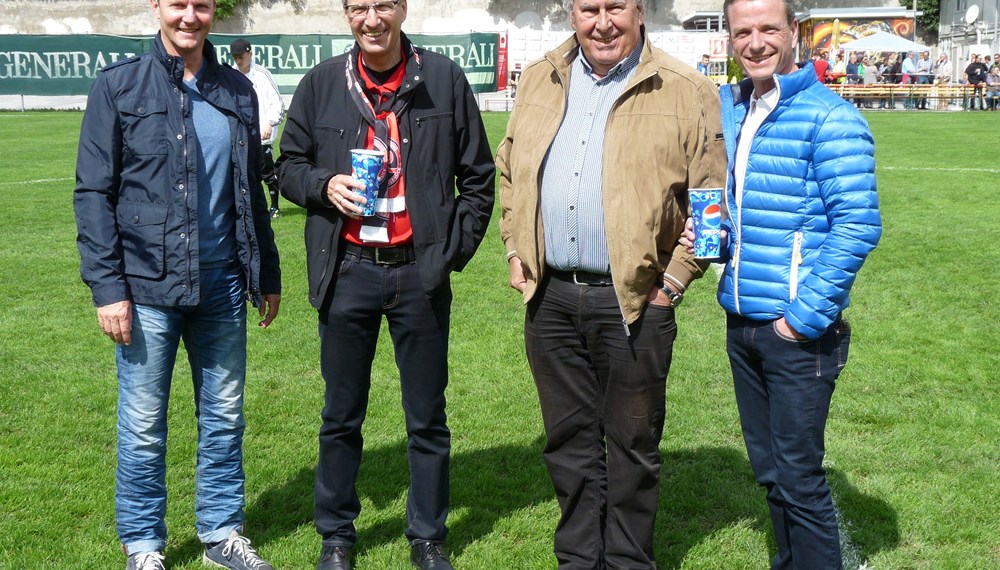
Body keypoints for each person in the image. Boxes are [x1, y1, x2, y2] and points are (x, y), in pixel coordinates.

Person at [495, 0, 725, 567]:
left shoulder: (684, 88)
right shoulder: (541, 77)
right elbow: (509, 167)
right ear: (572, 13)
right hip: (549, 300)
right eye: (588, 8)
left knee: (632, 448)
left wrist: (672, 283)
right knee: (568, 446)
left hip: (636, 301)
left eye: (615, 7)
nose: (602, 22)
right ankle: (578, 559)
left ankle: (626, 561)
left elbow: (713, 203)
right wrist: (515, 244)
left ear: (639, 11)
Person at [274, 0, 495, 568]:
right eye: (359, 8)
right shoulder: (322, 82)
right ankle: (337, 535)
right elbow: (288, 165)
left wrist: (449, 255)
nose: (372, 19)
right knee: (340, 415)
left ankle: (427, 535)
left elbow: (478, 178)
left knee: (427, 416)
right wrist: (325, 186)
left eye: (383, 6)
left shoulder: (441, 78)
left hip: (417, 274)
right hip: (347, 270)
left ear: (401, 10)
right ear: (347, 15)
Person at [73, 1, 282, 569]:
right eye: (178, 4)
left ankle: (221, 534)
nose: (190, 16)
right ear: (157, 9)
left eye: (201, 5)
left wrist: (266, 270)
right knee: (143, 425)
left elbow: (251, 190)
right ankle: (143, 546)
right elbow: (93, 194)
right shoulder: (118, 86)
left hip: (223, 285)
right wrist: (107, 286)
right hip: (145, 288)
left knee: (224, 416)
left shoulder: (237, 90)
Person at [682, 0, 881, 567]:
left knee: (798, 478)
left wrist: (802, 318)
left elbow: (859, 225)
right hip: (741, 323)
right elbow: (724, 201)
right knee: (771, 475)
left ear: (794, 31)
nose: (756, 42)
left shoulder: (830, 117)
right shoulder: (732, 108)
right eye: (742, 31)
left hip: (795, 332)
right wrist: (710, 236)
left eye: (769, 28)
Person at [230, 38, 286, 218]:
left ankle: (275, 207)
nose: (239, 61)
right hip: (239, 135)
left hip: (262, 134)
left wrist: (269, 122)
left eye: (241, 57)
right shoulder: (230, 74)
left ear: (250, 53)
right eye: (235, 57)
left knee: (267, 173)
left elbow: (277, 102)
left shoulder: (262, 74)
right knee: (242, 173)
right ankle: (247, 208)